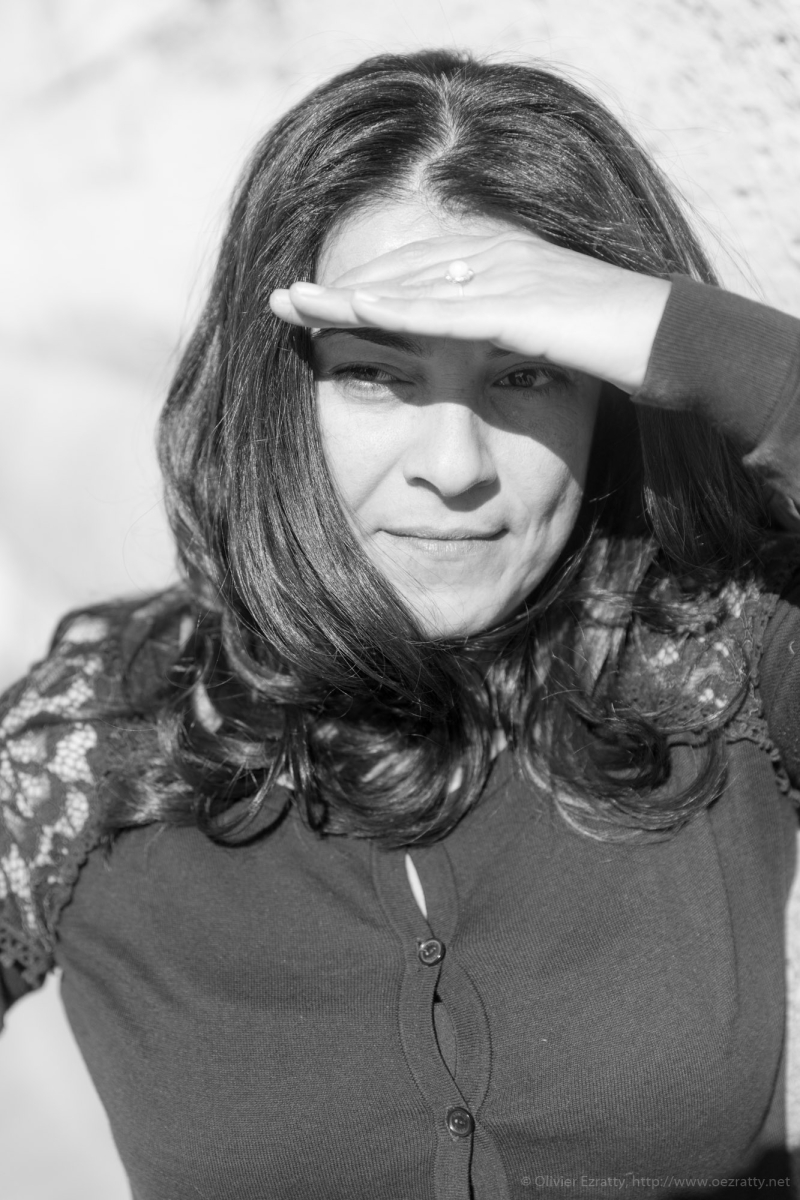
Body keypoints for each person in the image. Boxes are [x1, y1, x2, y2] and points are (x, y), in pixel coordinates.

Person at [1, 48, 800, 1199]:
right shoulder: (103, 743)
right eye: (377, 375)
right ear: (276, 399)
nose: (454, 466)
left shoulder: (715, 661)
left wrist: (670, 327)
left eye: (527, 376)